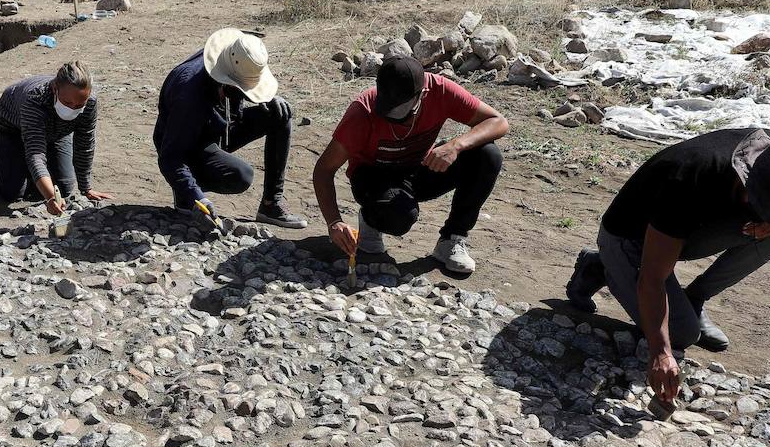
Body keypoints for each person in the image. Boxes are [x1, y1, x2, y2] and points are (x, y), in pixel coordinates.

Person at [565, 127, 770, 403]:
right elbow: (653, 278)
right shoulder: (689, 180)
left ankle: (693, 298)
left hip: (682, 231)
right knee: (681, 333)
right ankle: (601, 266)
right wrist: (660, 352)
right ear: (747, 181)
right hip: (630, 238)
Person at [312, 56, 509, 275]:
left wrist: (456, 145)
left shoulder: (440, 90)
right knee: (400, 217)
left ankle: (451, 240)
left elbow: (498, 121)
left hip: (418, 168)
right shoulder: (362, 112)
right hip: (373, 177)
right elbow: (324, 169)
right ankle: (371, 219)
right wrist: (334, 223)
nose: (394, 120)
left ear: (422, 94)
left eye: (403, 113)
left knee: (487, 155)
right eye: (388, 111)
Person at [153, 28, 306, 230]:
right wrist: (197, 198)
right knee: (241, 176)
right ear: (225, 79)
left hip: (219, 126)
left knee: (280, 114)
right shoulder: (189, 95)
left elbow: (246, 87)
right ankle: (186, 193)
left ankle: (271, 205)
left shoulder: (235, 60)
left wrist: (269, 98)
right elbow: (170, 157)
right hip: (189, 143)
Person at [0, 61, 112, 215]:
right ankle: (6, 164)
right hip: (14, 128)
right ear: (55, 89)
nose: (73, 108)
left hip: (56, 132)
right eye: (67, 103)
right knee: (12, 193)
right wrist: (50, 198)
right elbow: (35, 154)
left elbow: (85, 144)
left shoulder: (90, 102)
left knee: (65, 188)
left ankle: (33, 172)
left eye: (79, 105)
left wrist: (86, 188)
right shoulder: (34, 99)